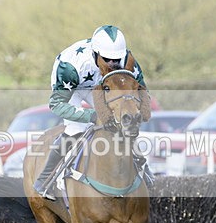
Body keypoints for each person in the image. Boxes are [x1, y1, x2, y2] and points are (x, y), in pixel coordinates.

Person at [33, 25, 151, 200]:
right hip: (73, 85)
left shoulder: (127, 61)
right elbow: (56, 104)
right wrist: (92, 116)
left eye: (116, 59)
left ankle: (142, 167)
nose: (113, 64)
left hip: (102, 85)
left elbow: (141, 91)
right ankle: (44, 181)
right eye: (107, 59)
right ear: (95, 53)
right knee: (76, 129)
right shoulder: (69, 66)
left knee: (121, 121)